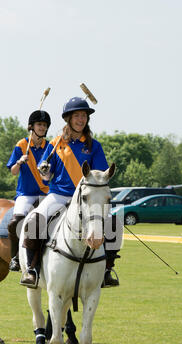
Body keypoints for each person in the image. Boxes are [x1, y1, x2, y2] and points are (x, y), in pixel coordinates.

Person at [20, 97, 122, 287]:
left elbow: (100, 175)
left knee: (114, 224)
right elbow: (46, 177)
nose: (81, 119)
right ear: (68, 118)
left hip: (86, 198)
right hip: (59, 195)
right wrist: (45, 169)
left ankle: (107, 270)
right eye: (77, 116)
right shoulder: (55, 143)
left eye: (84, 116)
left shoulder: (94, 146)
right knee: (35, 220)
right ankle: (32, 268)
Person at [6, 110, 51, 271]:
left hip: (45, 192)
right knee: (15, 223)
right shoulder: (21, 145)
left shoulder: (50, 147)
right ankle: (15, 258)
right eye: (39, 124)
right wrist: (19, 162)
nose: (42, 128)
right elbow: (13, 171)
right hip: (25, 193)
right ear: (31, 127)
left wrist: (46, 170)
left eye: (44, 125)